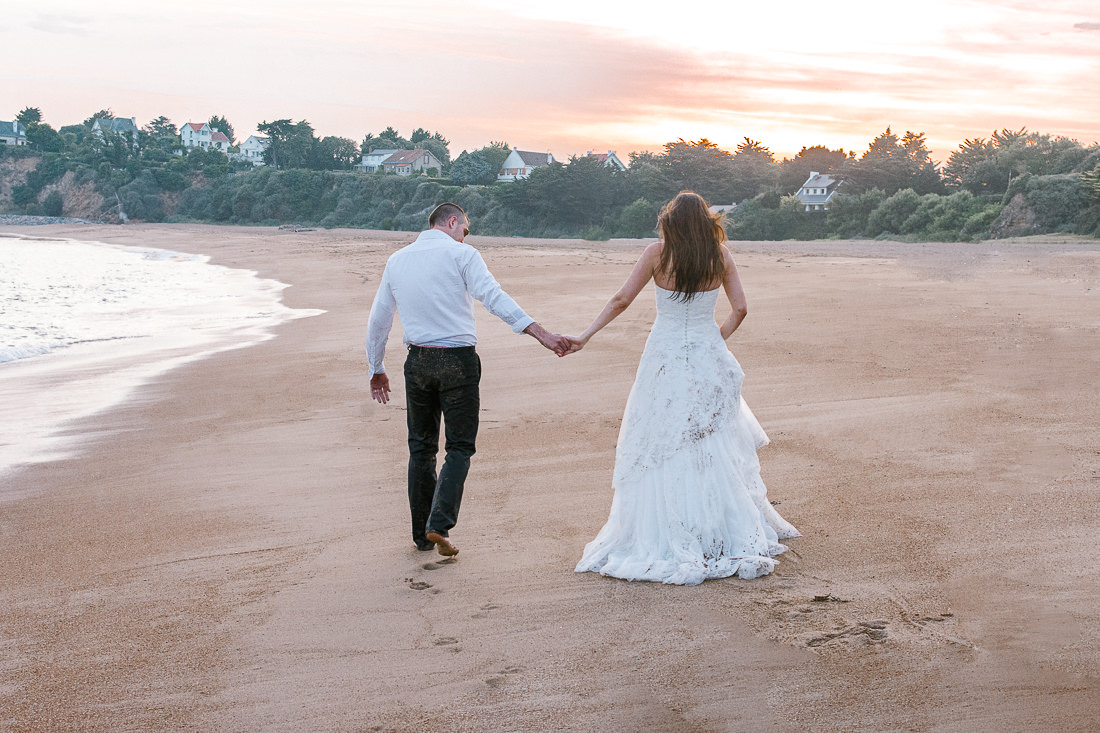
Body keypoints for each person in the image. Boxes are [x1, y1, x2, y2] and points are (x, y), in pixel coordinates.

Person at [566, 191, 799, 585]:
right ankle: (717, 528)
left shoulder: (658, 254)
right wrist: (716, 339)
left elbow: (622, 299)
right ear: (706, 221)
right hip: (707, 353)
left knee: (662, 437)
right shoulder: (720, 256)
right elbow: (740, 307)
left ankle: (671, 527)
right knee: (708, 440)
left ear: (671, 220)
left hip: (665, 355)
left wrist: (586, 335)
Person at [366, 202, 569, 557]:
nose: (465, 237)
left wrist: (376, 367)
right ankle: (438, 524)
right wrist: (541, 333)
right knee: (459, 447)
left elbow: (380, 317)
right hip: (458, 361)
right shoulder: (463, 255)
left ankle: (420, 536)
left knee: (421, 448)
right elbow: (493, 297)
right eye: (465, 230)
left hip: (418, 362)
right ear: (452, 221)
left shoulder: (397, 261)